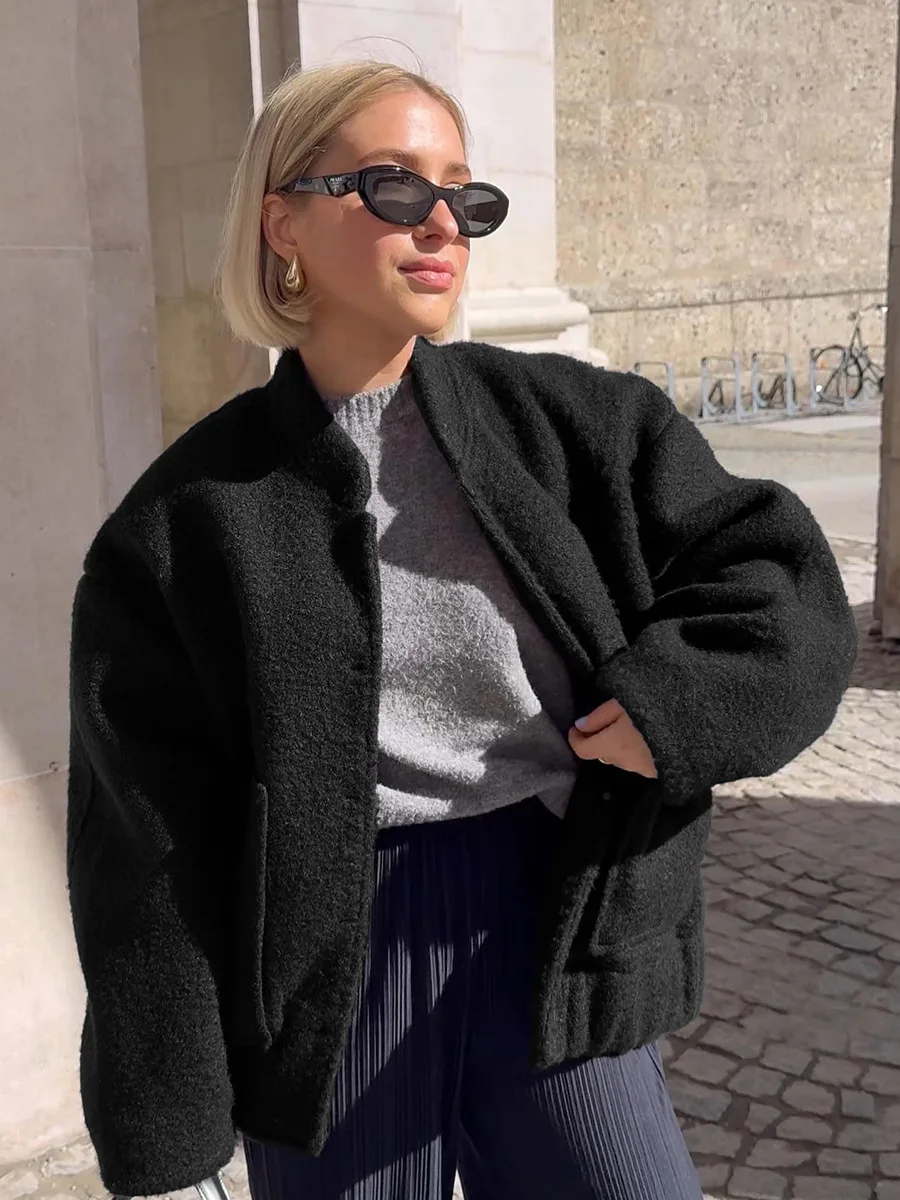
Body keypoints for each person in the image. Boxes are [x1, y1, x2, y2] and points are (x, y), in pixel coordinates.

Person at [65, 60, 858, 1200]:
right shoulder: (185, 521)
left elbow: (777, 572)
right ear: (283, 222)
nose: (442, 223)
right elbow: (146, 846)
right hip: (326, 973)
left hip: (556, 924)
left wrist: (676, 703)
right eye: (395, 187)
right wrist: (170, 1134)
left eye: (465, 196)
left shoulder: (575, 423)